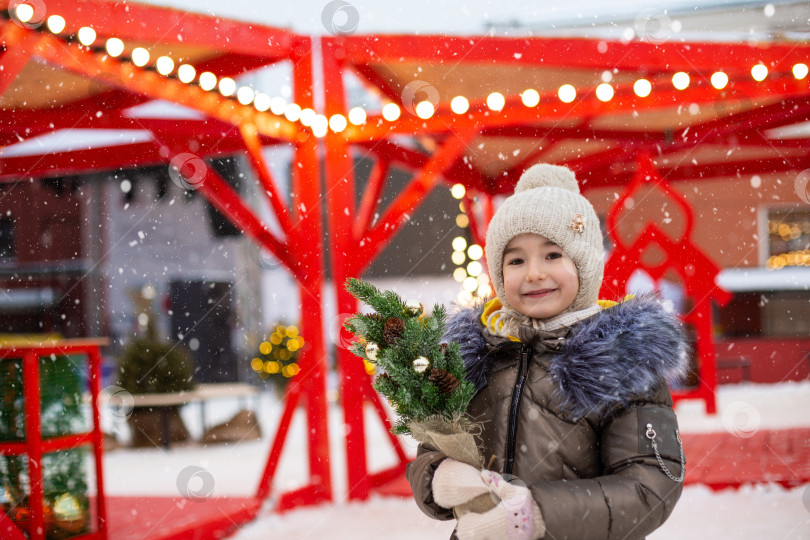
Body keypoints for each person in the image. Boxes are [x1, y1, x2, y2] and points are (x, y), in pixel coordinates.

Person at [406, 163, 688, 540]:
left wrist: (534, 514)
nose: (534, 272)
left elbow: (649, 486)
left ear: (584, 265)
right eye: (516, 260)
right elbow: (433, 442)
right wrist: (438, 476)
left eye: (552, 255)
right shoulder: (476, 357)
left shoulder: (621, 360)